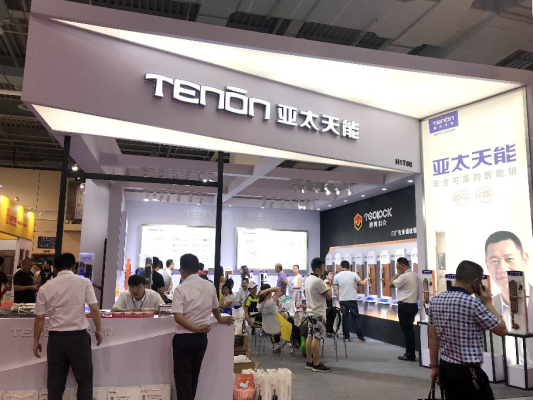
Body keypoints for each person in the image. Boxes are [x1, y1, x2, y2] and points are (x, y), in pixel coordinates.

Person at [429, 260, 508, 400]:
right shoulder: (472, 303)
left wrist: (434, 367)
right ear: (476, 281)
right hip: (468, 372)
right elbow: (502, 330)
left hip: (446, 368)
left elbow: (432, 337)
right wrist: (487, 303)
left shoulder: (435, 300)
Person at [33, 253, 103, 400]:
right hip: (79, 338)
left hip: (56, 340)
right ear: (73, 267)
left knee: (55, 384)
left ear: (55, 268)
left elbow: (40, 317)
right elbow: (94, 309)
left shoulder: (45, 287)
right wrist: (98, 329)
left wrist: (36, 341)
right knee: (84, 381)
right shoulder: (84, 282)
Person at [171, 253, 234, 400]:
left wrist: (194, 327)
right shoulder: (209, 286)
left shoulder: (181, 288)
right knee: (194, 378)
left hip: (184, 339)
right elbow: (215, 307)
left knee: (183, 380)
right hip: (201, 339)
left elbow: (178, 317)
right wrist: (220, 319)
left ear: (182, 270)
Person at [305, 257, 332, 373]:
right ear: (317, 269)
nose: (323, 270)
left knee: (310, 336)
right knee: (317, 338)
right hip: (318, 313)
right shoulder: (318, 281)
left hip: (310, 312)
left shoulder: (308, 279)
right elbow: (328, 296)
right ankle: (316, 364)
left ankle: (309, 361)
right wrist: (329, 286)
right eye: (322, 268)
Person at [390, 257, 420, 361]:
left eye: (397, 267)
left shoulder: (403, 276)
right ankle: (410, 352)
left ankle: (410, 354)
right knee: (409, 330)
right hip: (413, 306)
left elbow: (390, 284)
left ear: (401, 266)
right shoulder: (415, 275)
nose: (397, 269)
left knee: (407, 331)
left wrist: (398, 274)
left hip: (405, 306)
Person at [334, 260, 369, 343]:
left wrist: (339, 299)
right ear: (349, 266)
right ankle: (360, 337)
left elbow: (336, 289)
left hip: (343, 300)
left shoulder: (337, 276)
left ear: (341, 267)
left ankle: (346, 337)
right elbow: (362, 283)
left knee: (345, 319)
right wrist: (366, 279)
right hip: (352, 300)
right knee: (356, 318)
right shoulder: (354, 274)